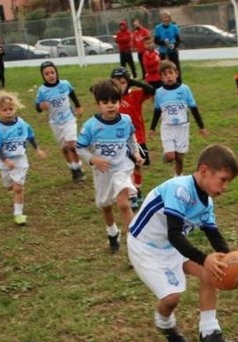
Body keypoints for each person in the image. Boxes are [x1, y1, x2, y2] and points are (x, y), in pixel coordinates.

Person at [127, 143, 238, 342]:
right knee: (171, 299)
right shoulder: (179, 189)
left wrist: (231, 259)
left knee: (211, 272)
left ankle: (210, 333)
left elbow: (214, 235)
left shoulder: (206, 203)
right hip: (146, 247)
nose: (225, 187)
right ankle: (165, 324)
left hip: (172, 246)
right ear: (204, 171)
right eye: (223, 180)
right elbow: (174, 234)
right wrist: (203, 257)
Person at [76, 80, 143, 253]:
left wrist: (136, 154)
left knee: (123, 204)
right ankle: (112, 233)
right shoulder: (91, 126)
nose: (110, 106)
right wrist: (93, 159)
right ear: (98, 104)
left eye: (114, 101)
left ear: (120, 102)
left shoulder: (125, 121)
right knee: (105, 206)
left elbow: (131, 139)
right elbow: (79, 148)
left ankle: (135, 245)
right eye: (105, 103)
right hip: (102, 172)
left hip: (122, 168)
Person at [0, 91, 47, 226]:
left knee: (18, 188)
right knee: (8, 185)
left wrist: (37, 149)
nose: (8, 112)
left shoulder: (21, 123)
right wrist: (6, 160)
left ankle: (18, 214)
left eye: (11, 109)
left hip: (20, 160)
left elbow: (30, 136)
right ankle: (11, 186)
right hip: (5, 161)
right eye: (4, 110)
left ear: (15, 108)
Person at [149, 60, 209, 177]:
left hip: (182, 127)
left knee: (180, 157)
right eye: (165, 75)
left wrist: (201, 127)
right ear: (161, 77)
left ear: (176, 73)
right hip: (167, 127)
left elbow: (194, 109)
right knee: (171, 156)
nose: (169, 76)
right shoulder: (159, 93)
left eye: (171, 73)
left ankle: (178, 176)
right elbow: (157, 111)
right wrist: (152, 128)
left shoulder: (185, 89)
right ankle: (167, 156)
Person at [110, 67, 155, 209]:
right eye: (116, 83)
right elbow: (94, 90)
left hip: (138, 138)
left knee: (137, 167)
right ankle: (132, 194)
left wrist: (132, 81)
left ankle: (138, 189)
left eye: (123, 82)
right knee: (126, 168)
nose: (120, 86)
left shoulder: (135, 95)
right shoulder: (112, 100)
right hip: (119, 141)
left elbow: (150, 89)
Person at [35, 61, 86, 182]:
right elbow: (37, 107)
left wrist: (78, 106)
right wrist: (41, 106)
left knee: (72, 145)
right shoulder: (42, 90)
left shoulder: (64, 84)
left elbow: (72, 94)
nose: (50, 75)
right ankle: (73, 169)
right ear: (43, 76)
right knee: (64, 148)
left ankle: (78, 168)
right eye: (47, 74)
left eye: (52, 72)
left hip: (69, 119)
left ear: (56, 72)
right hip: (55, 123)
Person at [154, 11, 182, 82]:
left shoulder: (174, 27)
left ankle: (178, 83)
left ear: (170, 18)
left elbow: (178, 40)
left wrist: (174, 45)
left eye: (167, 17)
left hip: (172, 51)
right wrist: (163, 42)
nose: (166, 19)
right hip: (163, 52)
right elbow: (156, 41)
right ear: (161, 19)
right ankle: (165, 82)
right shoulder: (158, 28)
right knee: (164, 68)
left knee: (175, 68)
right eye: (164, 17)